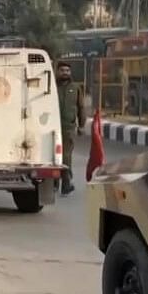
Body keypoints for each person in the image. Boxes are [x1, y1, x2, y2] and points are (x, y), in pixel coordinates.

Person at [56, 61, 86, 195]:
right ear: (58, 72)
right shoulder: (52, 86)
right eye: (62, 70)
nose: (65, 73)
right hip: (53, 126)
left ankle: (66, 183)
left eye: (67, 70)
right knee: (53, 156)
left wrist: (82, 125)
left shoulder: (76, 88)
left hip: (68, 127)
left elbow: (81, 107)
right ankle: (55, 183)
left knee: (66, 155)